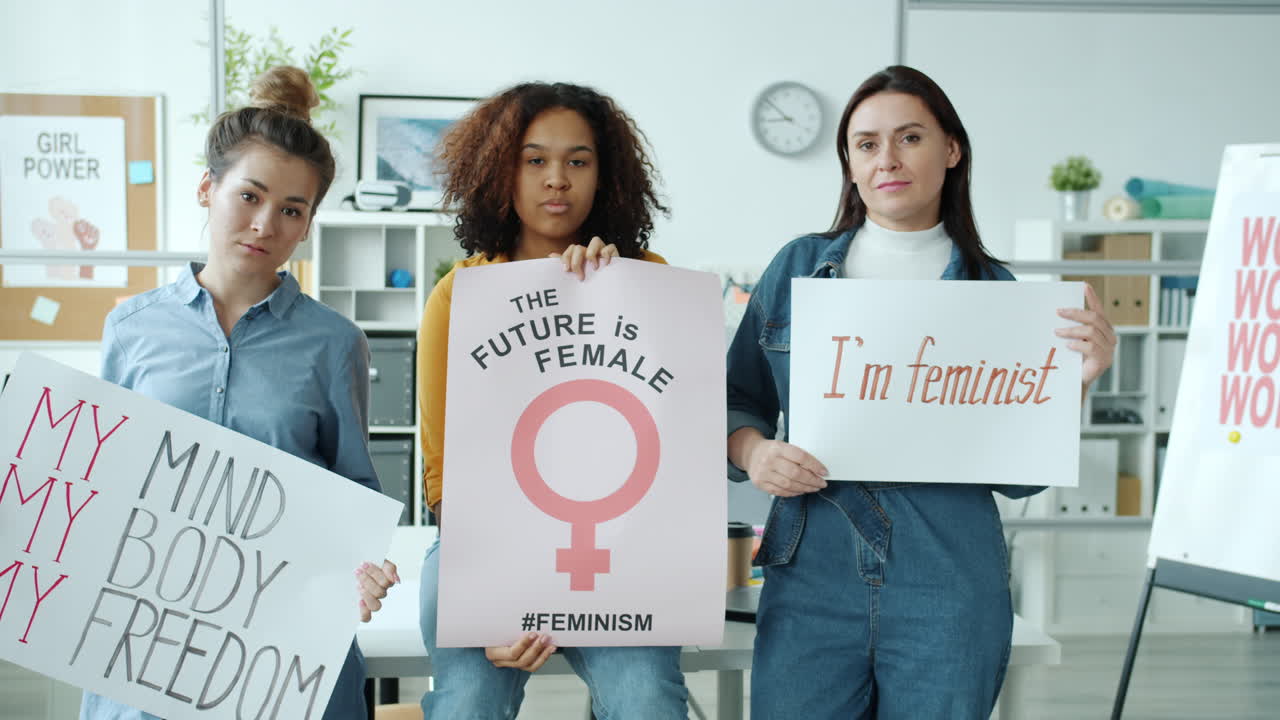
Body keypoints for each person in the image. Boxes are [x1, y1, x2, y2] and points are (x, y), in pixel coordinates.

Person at [725, 65, 1116, 719]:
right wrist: (754, 452)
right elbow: (736, 398)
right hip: (812, 570)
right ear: (849, 163)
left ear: (951, 150)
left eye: (910, 138)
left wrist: (1075, 384)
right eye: (867, 143)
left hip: (950, 575)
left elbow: (1020, 481)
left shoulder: (999, 295)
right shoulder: (797, 267)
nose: (888, 159)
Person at [81, 66, 398, 720]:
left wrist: (366, 568)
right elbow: (99, 482)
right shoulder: (132, 329)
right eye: (249, 197)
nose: (265, 224)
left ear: (308, 224)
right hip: (148, 634)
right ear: (207, 188)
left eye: (291, 210)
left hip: (288, 643)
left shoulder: (334, 343)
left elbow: (353, 493)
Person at [415, 81, 688, 719]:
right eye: (534, 160)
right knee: (467, 704)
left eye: (578, 160)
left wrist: (620, 292)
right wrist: (493, 594)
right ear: (500, 173)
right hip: (484, 545)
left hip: (623, 546)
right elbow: (442, 475)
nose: (556, 179)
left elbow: (676, 437)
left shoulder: (650, 279)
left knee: (647, 701)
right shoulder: (460, 295)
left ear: (605, 176)